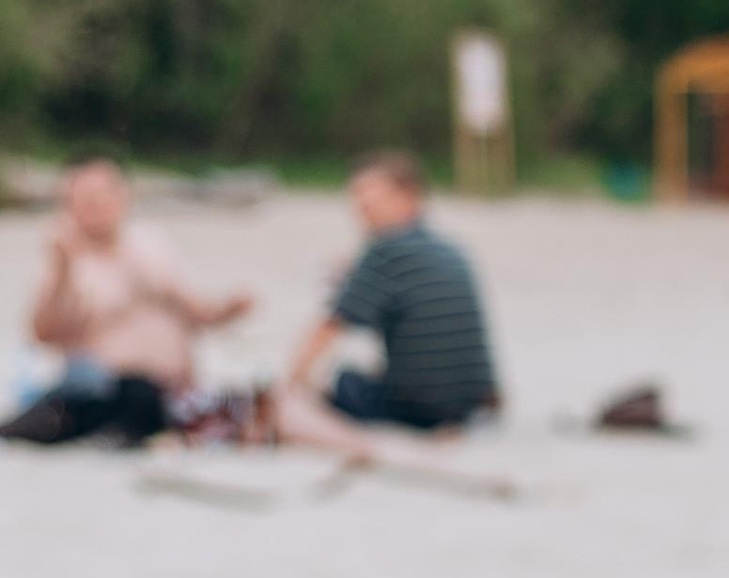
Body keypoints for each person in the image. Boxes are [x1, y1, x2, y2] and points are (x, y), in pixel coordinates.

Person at [2, 156, 251, 445]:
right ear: (67, 203)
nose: (96, 204)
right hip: (104, 390)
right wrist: (62, 270)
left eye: (103, 194)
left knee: (238, 405)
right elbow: (41, 333)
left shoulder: (151, 244)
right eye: (84, 198)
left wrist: (230, 309)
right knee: (108, 394)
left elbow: (196, 311)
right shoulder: (67, 260)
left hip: (168, 390)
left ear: (124, 195)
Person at [277, 151, 499, 445]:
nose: (362, 206)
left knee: (342, 381)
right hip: (473, 405)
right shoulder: (451, 249)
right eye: (357, 197)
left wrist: (290, 385)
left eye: (373, 198)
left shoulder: (385, 250)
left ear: (409, 196)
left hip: (422, 410)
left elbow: (329, 327)